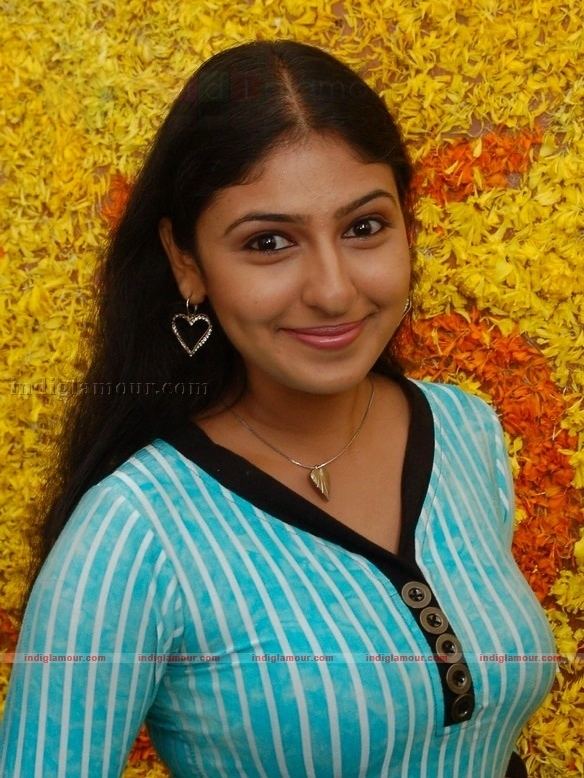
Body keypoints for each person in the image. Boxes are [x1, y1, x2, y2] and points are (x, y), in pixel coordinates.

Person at [0, 39, 557, 778]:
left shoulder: (464, 432)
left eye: (364, 227)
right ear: (185, 261)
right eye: (269, 242)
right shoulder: (134, 533)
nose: (332, 289)